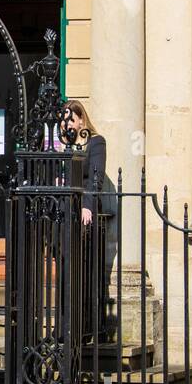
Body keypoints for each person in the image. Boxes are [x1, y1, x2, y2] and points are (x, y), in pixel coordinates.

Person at [61, 100, 118, 336]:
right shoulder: (62, 145)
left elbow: (95, 177)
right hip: (64, 215)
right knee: (67, 271)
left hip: (86, 216)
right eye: (62, 121)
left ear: (81, 119)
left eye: (69, 120)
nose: (65, 125)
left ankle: (90, 326)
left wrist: (87, 206)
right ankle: (67, 326)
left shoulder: (96, 142)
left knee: (87, 272)